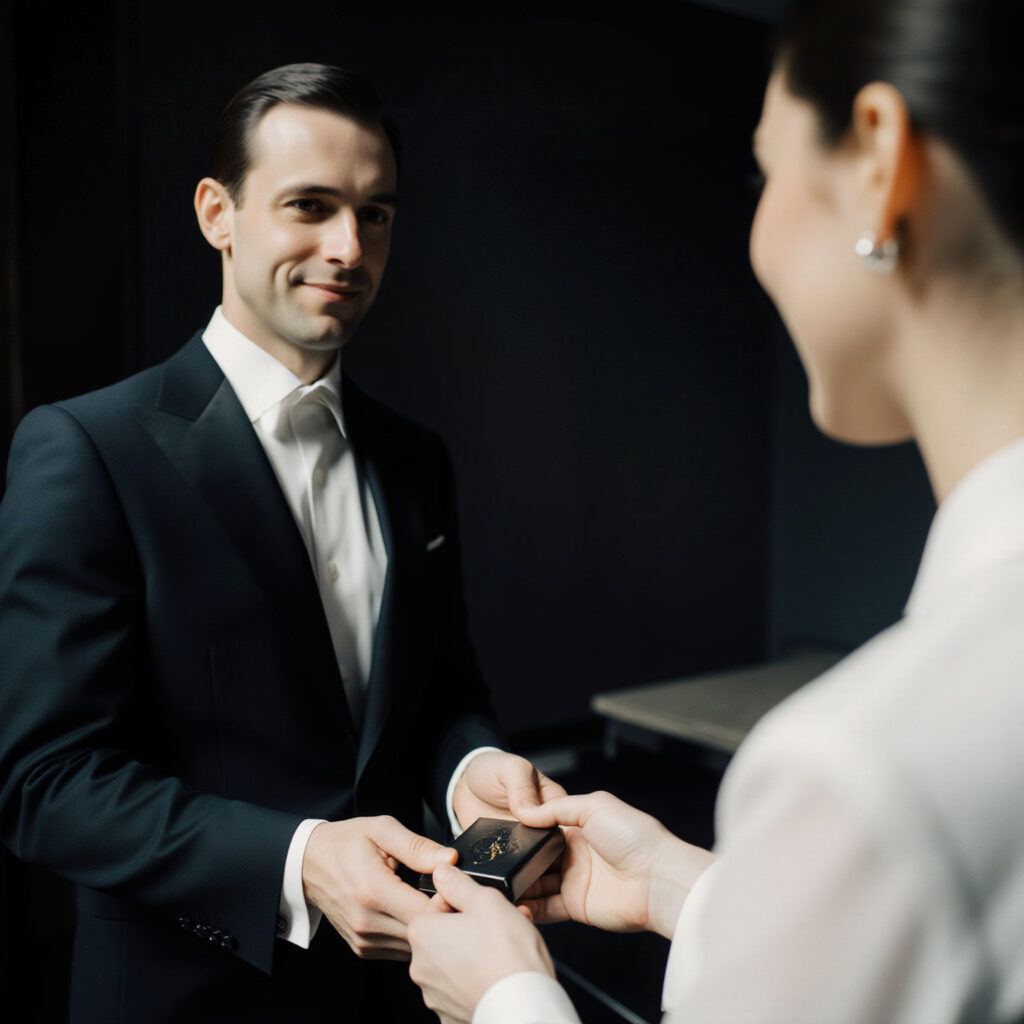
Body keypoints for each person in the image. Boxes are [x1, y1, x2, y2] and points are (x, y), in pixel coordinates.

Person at [406, 1, 1024, 1021]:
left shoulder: (855, 767)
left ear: (878, 160)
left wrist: (506, 997)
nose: (756, 235)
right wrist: (679, 886)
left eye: (765, 172)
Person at [0, 62, 563, 1023]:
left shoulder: (417, 458)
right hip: (185, 995)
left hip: (402, 990)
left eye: (374, 214)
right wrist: (300, 860)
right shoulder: (84, 447)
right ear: (218, 213)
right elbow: (50, 785)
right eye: (310, 205)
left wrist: (474, 770)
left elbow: (443, 695)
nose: (348, 246)